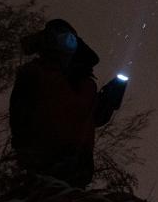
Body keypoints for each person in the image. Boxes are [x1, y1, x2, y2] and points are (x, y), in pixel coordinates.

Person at [9, 19, 124, 187]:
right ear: (48, 41)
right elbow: (19, 116)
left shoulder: (85, 84)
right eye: (63, 40)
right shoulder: (35, 73)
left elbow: (94, 117)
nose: (66, 48)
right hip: (43, 164)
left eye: (71, 41)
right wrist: (26, 153)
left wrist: (109, 100)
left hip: (78, 169)